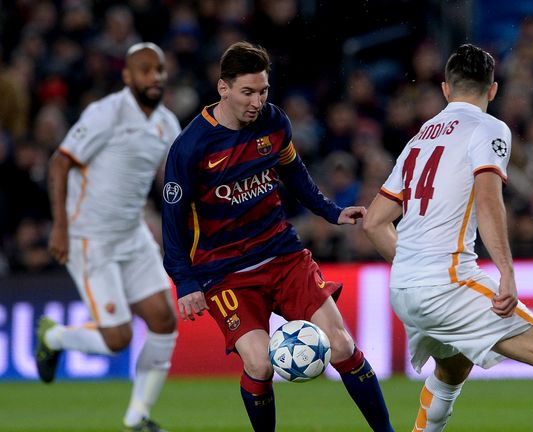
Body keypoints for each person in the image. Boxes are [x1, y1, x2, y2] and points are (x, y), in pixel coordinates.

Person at [363, 44, 533, 432]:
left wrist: (412, 265)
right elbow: (489, 202)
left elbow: (374, 223)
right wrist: (506, 271)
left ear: (445, 89)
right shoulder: (489, 128)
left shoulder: (419, 139)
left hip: (404, 287)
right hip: (448, 282)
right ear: (492, 90)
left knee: (454, 365)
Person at [161, 41, 393, 432]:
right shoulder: (190, 147)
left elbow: (296, 174)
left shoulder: (274, 122)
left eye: (263, 91)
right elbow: (173, 222)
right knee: (259, 362)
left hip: (284, 256)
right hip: (225, 272)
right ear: (224, 89)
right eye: (247, 92)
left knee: (342, 345)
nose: (256, 101)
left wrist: (331, 211)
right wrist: (185, 282)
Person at [38, 42, 181, 432]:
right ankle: (56, 338)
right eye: (146, 70)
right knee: (117, 338)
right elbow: (59, 162)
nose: (155, 77)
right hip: (89, 236)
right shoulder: (106, 113)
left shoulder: (168, 124)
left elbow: (172, 180)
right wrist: (60, 226)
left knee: (164, 320)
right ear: (127, 76)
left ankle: (138, 418)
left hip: (132, 233)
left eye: (160, 69)